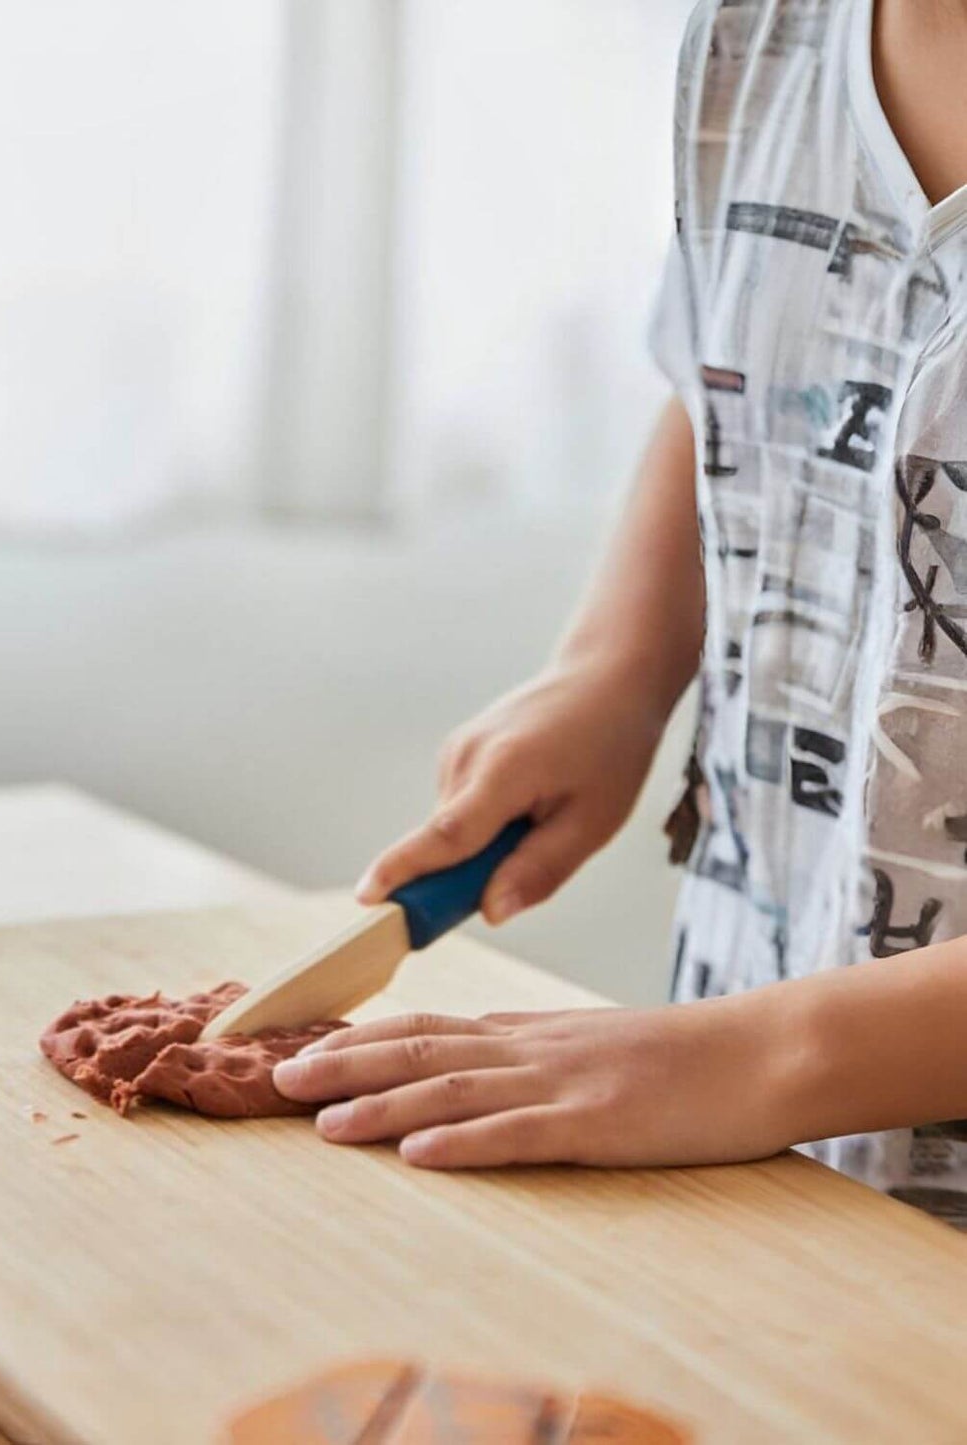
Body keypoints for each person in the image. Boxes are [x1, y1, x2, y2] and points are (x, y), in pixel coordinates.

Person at [273, 0, 967, 1226]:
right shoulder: (764, 39)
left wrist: (763, 1058)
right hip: (768, 1103)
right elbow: (742, 353)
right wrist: (619, 664)